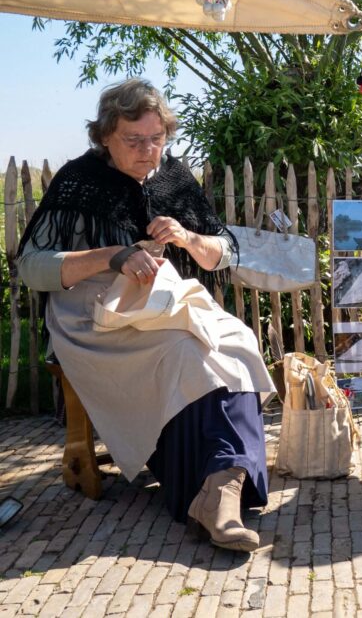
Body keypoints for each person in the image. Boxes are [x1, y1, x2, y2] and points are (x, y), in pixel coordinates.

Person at [17, 79, 276, 551]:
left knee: (236, 340)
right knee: (185, 354)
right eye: (133, 141)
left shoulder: (173, 178)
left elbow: (225, 252)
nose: (148, 151)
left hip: (164, 304)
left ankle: (222, 487)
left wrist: (187, 238)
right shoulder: (79, 181)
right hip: (93, 318)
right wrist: (112, 255)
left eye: (156, 139)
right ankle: (218, 490)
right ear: (104, 137)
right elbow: (32, 267)